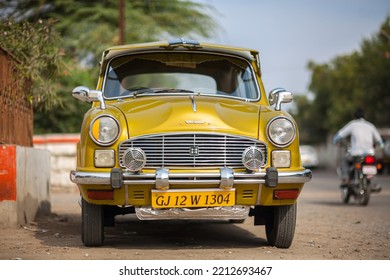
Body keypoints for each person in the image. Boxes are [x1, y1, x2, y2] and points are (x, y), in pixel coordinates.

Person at [333, 108, 384, 186]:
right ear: (365, 116)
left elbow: (339, 136)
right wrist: (376, 146)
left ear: (354, 116)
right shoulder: (370, 126)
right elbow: (380, 142)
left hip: (356, 153)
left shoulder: (352, 124)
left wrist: (335, 140)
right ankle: (370, 179)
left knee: (344, 161)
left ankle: (346, 179)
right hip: (370, 153)